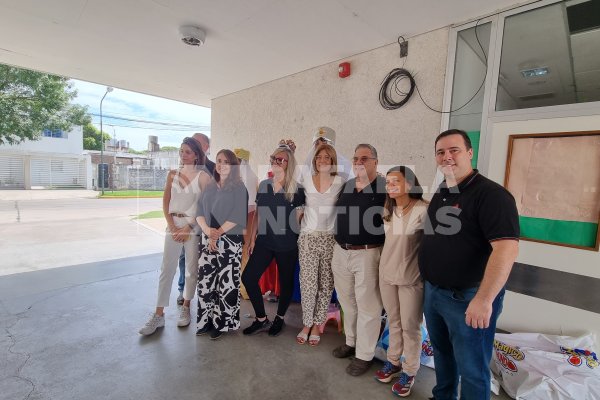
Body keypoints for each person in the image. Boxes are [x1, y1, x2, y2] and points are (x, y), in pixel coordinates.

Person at [418, 129, 520, 400]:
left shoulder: (492, 195)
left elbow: (506, 249)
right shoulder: (443, 191)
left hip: (468, 298)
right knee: (442, 354)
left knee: (472, 368)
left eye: (454, 150)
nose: (447, 157)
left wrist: (485, 299)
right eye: (440, 152)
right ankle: (444, 396)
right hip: (435, 292)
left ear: (470, 152)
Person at [139, 137, 211, 336]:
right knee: (166, 269)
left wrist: (188, 227)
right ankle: (159, 314)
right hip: (173, 225)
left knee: (191, 270)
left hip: (192, 227)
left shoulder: (204, 177)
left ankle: (186, 307)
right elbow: (165, 203)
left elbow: (206, 206)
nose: (183, 155)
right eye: (181, 151)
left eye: (187, 152)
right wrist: (172, 226)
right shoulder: (172, 175)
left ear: (196, 154)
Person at [331, 144, 386, 376]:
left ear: (375, 161)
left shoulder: (384, 186)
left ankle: (364, 355)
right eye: (355, 158)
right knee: (347, 301)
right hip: (341, 251)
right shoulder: (348, 185)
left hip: (368, 253)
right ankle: (351, 342)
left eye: (365, 158)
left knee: (368, 306)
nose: (359, 162)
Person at [374, 166, 428, 398]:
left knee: (410, 326)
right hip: (386, 274)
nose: (390, 186)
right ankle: (393, 361)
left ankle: (410, 369)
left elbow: (433, 246)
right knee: (393, 321)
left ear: (410, 183)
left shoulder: (423, 210)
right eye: (388, 182)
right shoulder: (389, 208)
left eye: (396, 181)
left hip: (410, 278)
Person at [241, 144, 305, 337]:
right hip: (264, 241)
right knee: (248, 278)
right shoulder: (264, 185)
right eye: (273, 158)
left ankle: (279, 318)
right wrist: (252, 239)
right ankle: (261, 319)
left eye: (281, 159)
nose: (276, 162)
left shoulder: (297, 189)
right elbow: (259, 215)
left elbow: (299, 220)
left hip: (287, 244)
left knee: (286, 283)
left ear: (288, 163)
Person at [195, 149, 248, 340]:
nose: (221, 164)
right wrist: (208, 231)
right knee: (206, 282)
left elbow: (238, 215)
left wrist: (217, 233)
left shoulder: (239, 187)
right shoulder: (209, 186)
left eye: (226, 161)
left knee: (225, 285)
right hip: (207, 240)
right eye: (218, 161)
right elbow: (199, 210)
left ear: (233, 166)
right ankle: (205, 321)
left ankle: (222, 323)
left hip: (229, 242)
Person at [296, 143, 345, 346]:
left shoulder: (341, 182)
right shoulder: (306, 180)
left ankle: (317, 324)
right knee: (307, 284)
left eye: (327, 157)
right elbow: (300, 206)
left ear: (333, 160)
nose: (322, 160)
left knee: (326, 285)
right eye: (319, 157)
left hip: (329, 239)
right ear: (314, 160)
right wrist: (301, 224)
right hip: (308, 237)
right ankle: (307, 324)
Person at [176, 132, 214, 305]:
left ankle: (203, 293)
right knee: (184, 258)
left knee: (201, 260)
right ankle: (182, 291)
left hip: (204, 224)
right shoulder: (181, 169)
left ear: (205, 147)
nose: (190, 147)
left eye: (196, 144)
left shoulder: (214, 168)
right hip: (184, 222)